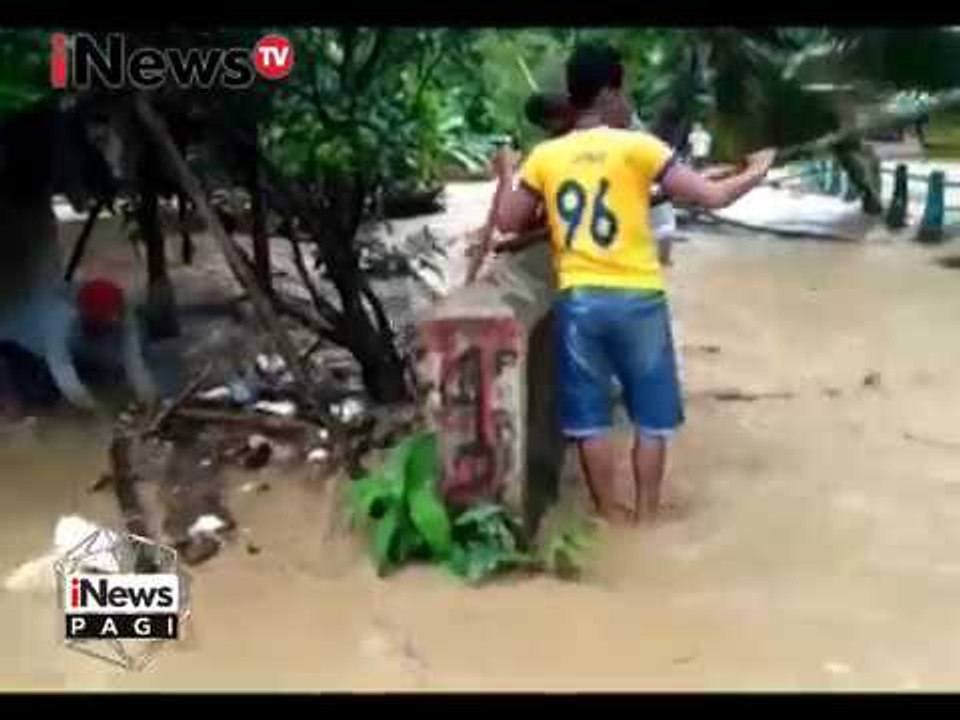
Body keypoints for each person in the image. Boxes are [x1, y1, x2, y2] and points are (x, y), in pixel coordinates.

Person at [492, 42, 775, 523]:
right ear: (607, 93)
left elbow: (508, 223)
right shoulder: (640, 147)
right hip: (640, 300)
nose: (628, 104)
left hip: (579, 301)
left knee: (589, 423)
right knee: (652, 421)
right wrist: (755, 171)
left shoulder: (546, 155)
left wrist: (505, 173)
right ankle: (645, 518)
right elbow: (712, 197)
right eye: (623, 92)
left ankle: (608, 515)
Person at [0, 276, 157, 415]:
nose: (110, 328)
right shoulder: (60, 318)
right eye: (103, 323)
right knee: (35, 403)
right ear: (86, 316)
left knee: (110, 381)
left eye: (113, 323)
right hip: (20, 351)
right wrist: (90, 406)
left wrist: (148, 398)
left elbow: (134, 362)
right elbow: (62, 367)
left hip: (70, 355)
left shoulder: (124, 315)